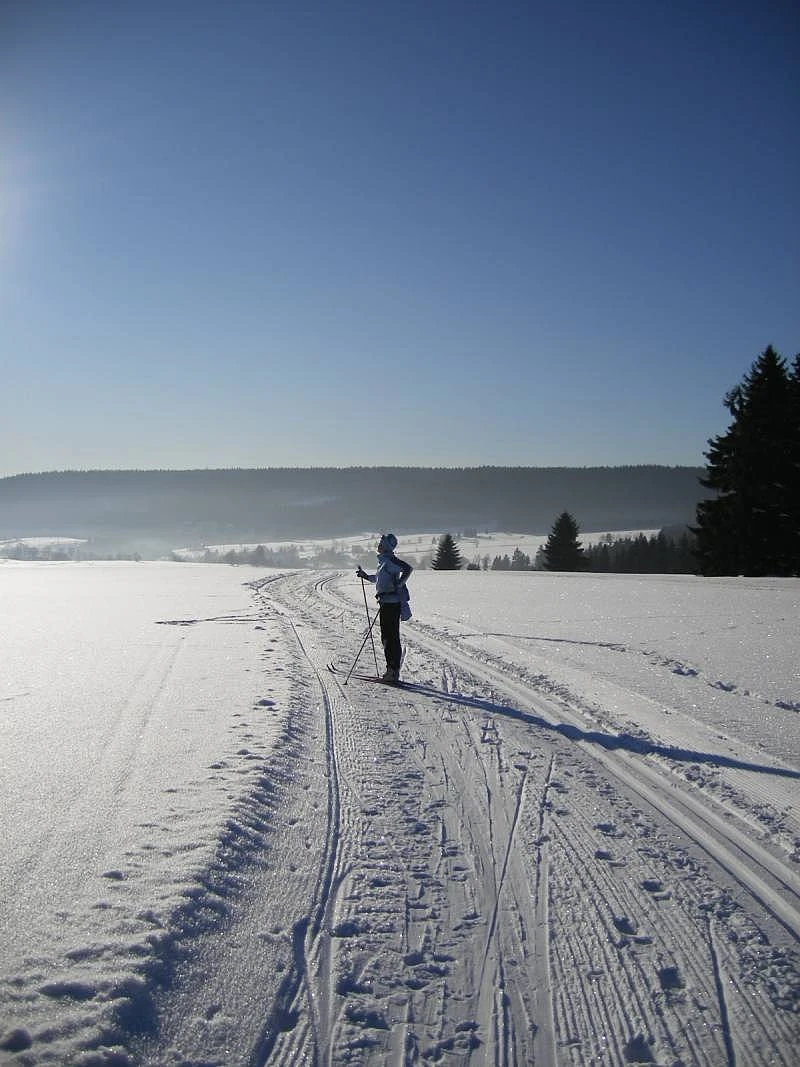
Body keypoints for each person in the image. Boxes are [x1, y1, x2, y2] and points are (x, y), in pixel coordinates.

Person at [356, 533, 413, 683]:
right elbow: (379, 579)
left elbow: (408, 568)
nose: (378, 545)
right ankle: (392, 671)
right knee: (388, 637)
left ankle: (392, 672)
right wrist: (365, 576)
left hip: (391, 604)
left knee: (390, 638)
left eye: (381, 543)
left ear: (387, 546)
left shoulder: (390, 560)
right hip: (386, 603)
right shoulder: (384, 562)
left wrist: (399, 583)